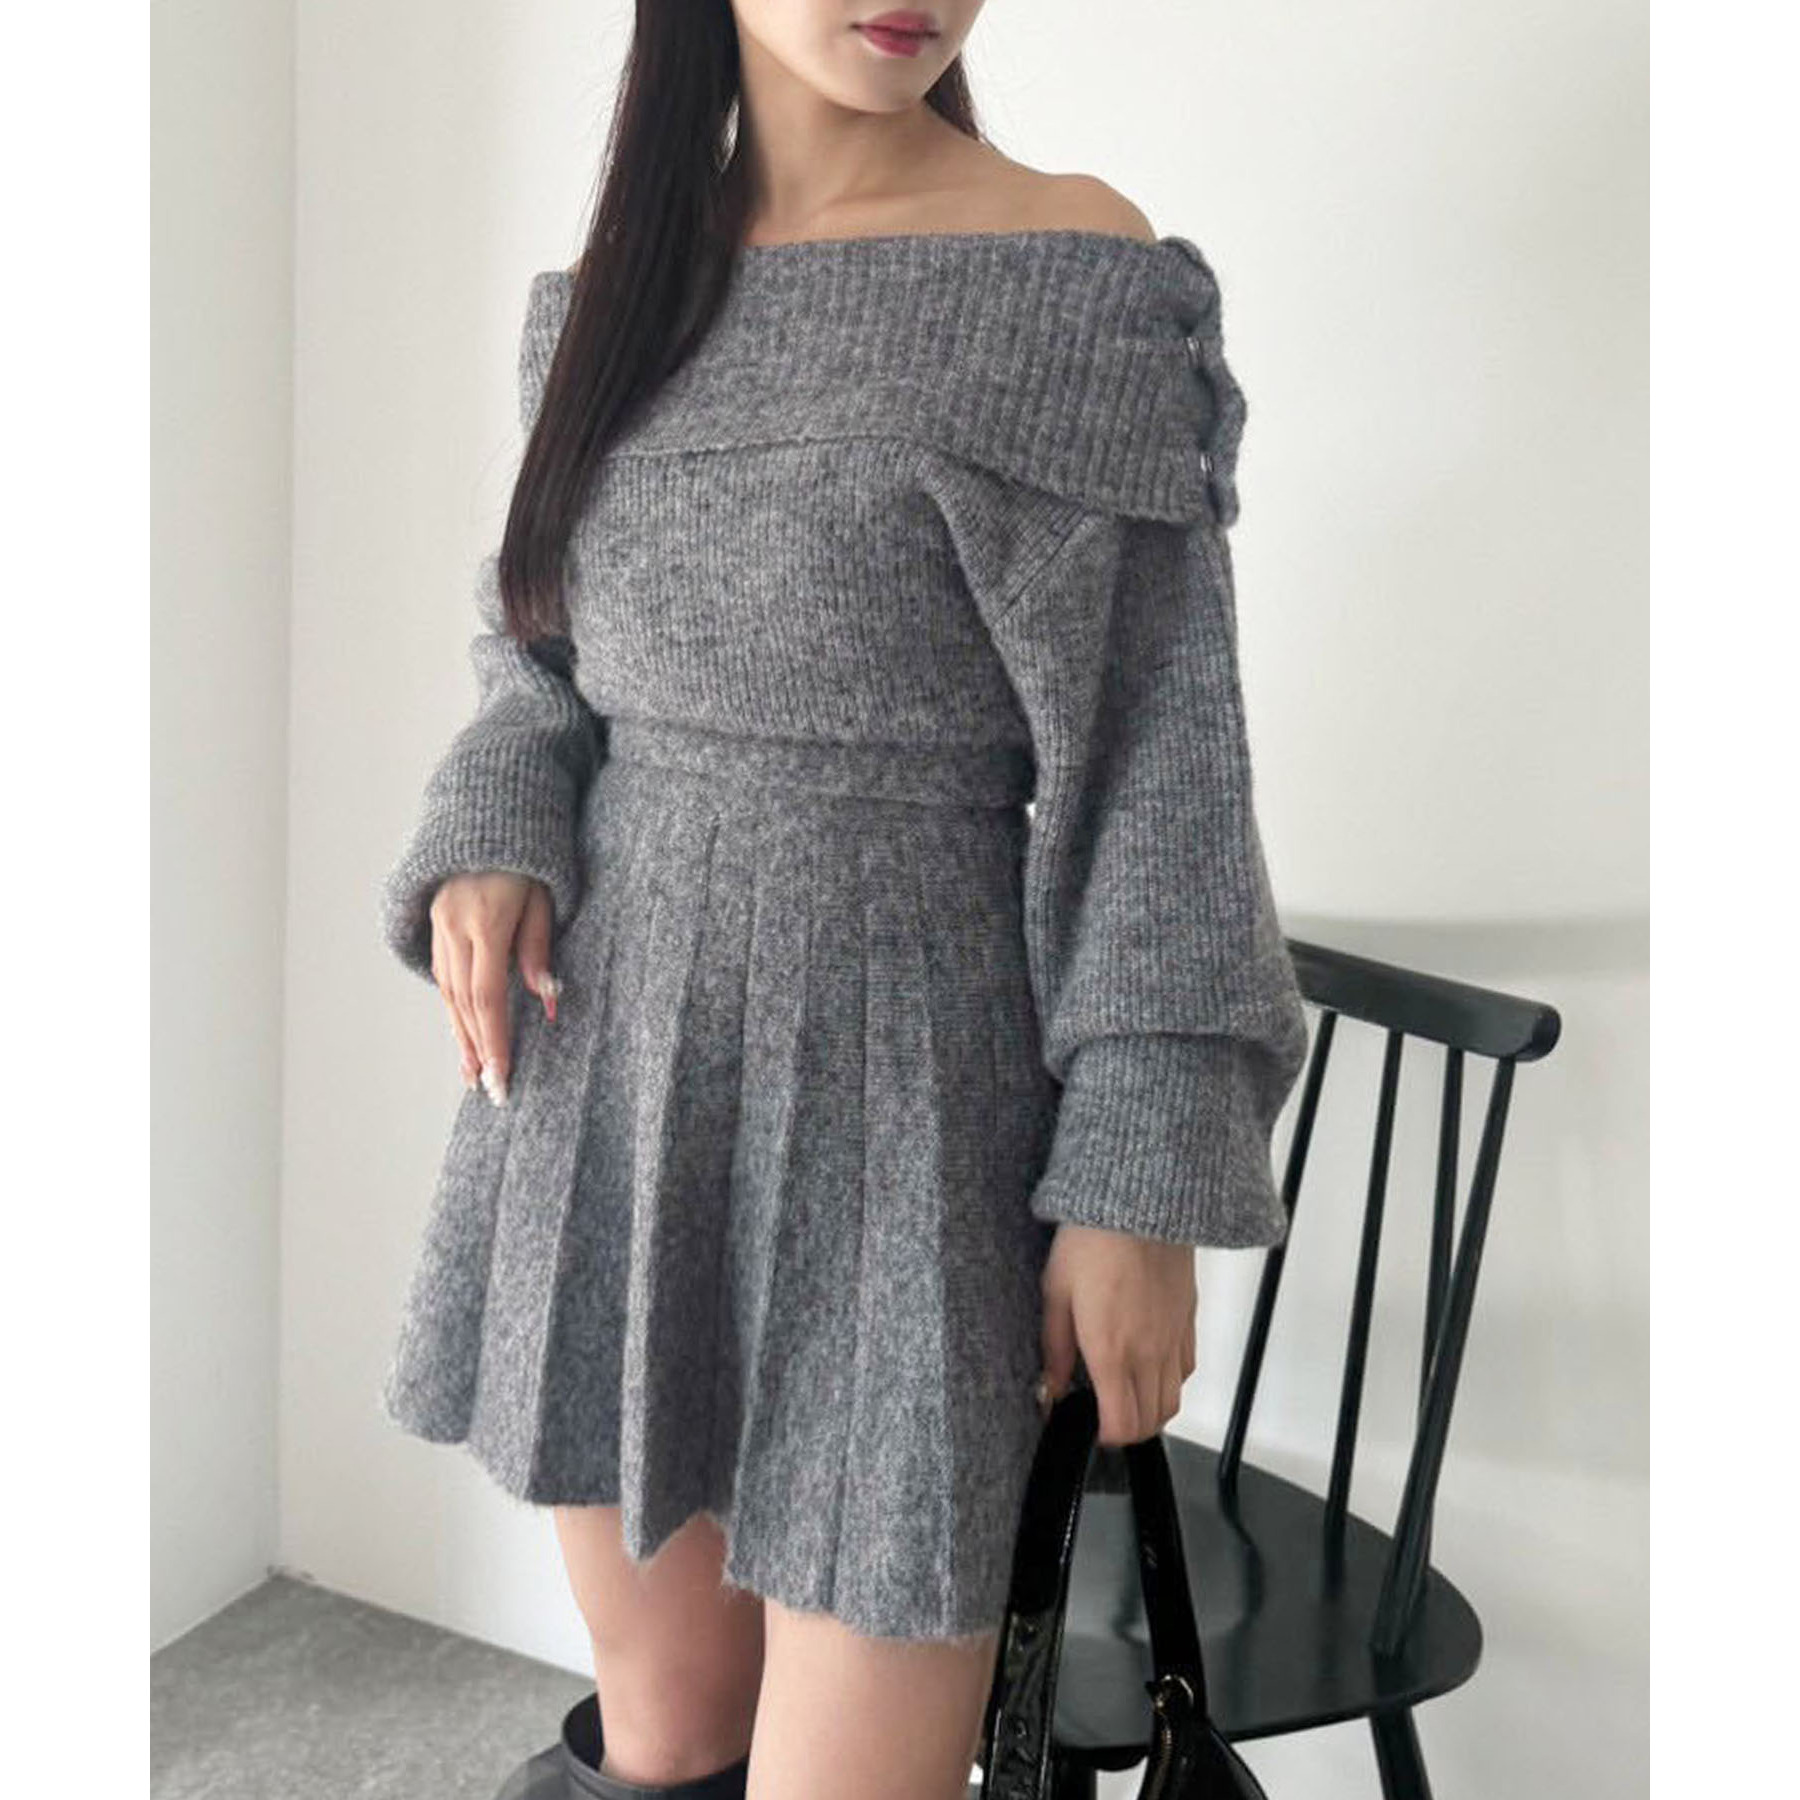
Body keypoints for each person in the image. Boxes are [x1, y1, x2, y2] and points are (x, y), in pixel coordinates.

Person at [374, 3, 1309, 1796]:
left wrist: (1139, 1176)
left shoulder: (1070, 272)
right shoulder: (612, 299)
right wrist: (497, 816)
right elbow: (540, 657)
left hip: (915, 1129)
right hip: (617, 1100)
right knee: (663, 1741)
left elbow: (1164, 770)